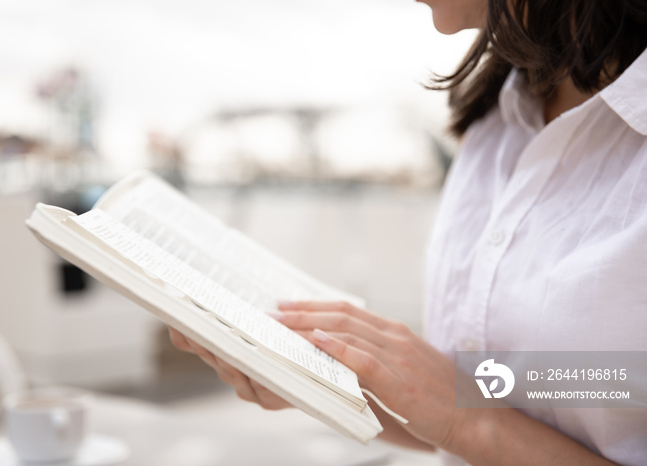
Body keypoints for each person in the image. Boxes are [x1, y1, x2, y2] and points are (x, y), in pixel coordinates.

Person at [170, 0, 647, 464]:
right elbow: (527, 394)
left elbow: (489, 413)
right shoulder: (495, 123)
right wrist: (331, 384)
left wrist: (470, 420)